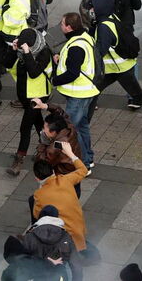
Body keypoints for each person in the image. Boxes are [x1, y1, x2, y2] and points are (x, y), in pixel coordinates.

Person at [89, 0, 142, 141]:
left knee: (139, 96)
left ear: (100, 8)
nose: (91, 9)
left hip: (120, 69)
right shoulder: (111, 18)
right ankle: (82, 125)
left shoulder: (104, 27)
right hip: (118, 67)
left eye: (93, 7)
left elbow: (100, 51)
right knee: (93, 91)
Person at [52, 13, 99, 169]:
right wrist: (61, 59)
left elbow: (73, 73)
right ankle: (89, 158)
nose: (61, 25)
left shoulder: (76, 47)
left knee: (71, 130)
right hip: (87, 92)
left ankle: (84, 164)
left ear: (69, 27)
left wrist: (54, 80)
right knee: (82, 126)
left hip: (78, 95)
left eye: (62, 23)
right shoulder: (84, 37)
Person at [4, 28, 53, 176]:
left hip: (37, 96)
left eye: (27, 46)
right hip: (25, 95)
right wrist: (13, 50)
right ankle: (48, 150)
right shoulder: (21, 51)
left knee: (25, 127)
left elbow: (33, 72)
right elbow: (7, 64)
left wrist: (27, 53)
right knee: (38, 122)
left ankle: (19, 159)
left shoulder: (44, 53)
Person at [31, 142, 89, 264]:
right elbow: (83, 170)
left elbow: (37, 215)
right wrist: (70, 153)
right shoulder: (65, 180)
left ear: (37, 178)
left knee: (71, 264)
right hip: (79, 230)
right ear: (53, 171)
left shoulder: (39, 195)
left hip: (64, 238)